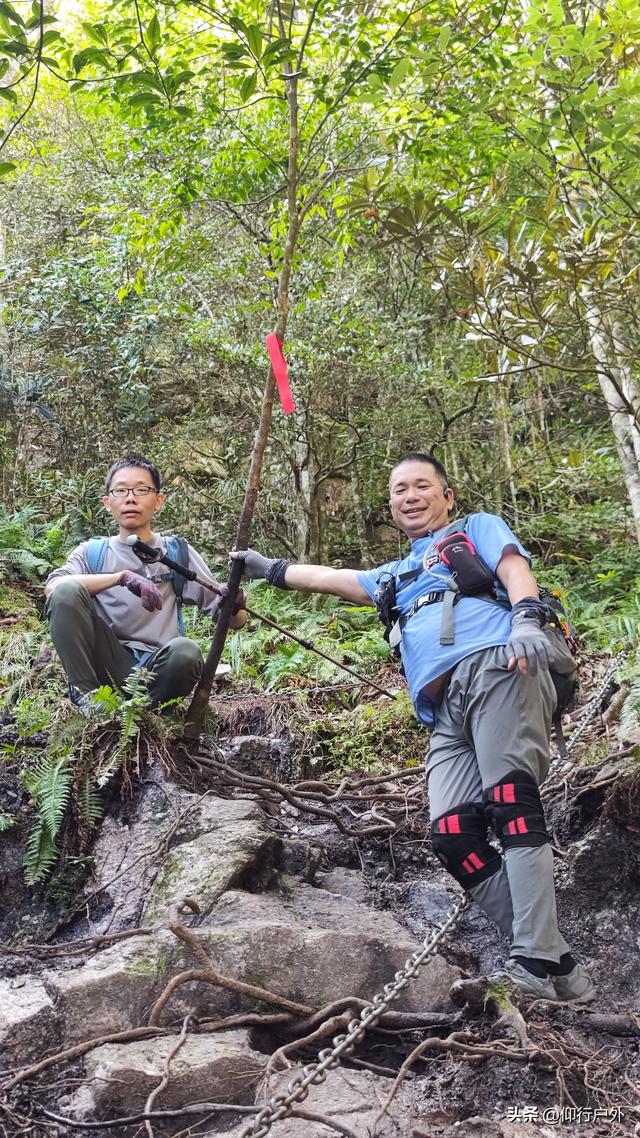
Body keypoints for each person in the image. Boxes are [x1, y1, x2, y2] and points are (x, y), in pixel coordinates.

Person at [231, 452, 595, 1002]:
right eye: (399, 490)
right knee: (453, 835)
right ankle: (558, 962)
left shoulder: (475, 528)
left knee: (511, 803)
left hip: (500, 664)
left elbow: (515, 567)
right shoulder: (393, 575)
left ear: (448, 496)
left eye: (422, 485)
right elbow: (330, 578)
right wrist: (266, 568)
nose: (410, 496)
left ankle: (534, 964)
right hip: (444, 706)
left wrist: (525, 615)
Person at [45, 453, 245, 711]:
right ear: (107, 502)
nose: (130, 498)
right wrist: (121, 578)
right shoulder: (92, 553)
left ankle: (139, 716)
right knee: (67, 590)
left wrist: (234, 606)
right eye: (120, 491)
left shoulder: (176, 553)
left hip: (156, 672)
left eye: (141, 489)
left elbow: (234, 622)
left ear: (158, 500)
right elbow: (54, 589)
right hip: (107, 664)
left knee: (186, 651)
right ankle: (88, 700)